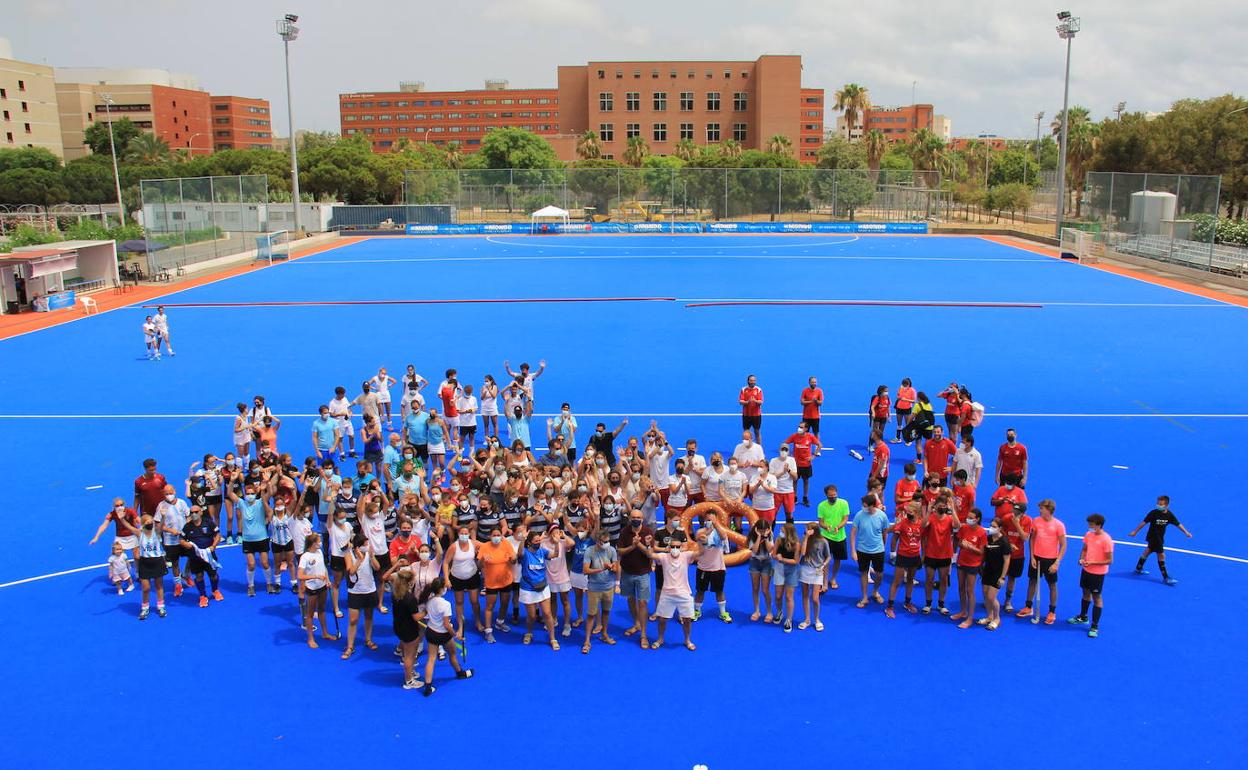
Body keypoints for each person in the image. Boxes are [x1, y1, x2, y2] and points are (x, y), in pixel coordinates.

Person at [413, 577, 473, 696]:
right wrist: (455, 635)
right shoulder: (446, 604)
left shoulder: (429, 600)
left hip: (431, 632)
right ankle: (460, 673)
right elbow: (446, 624)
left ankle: (428, 686)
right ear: (441, 589)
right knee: (452, 654)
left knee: (431, 659)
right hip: (443, 634)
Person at [645, 531, 702, 650]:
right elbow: (650, 555)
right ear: (669, 547)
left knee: (687, 620)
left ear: (681, 548)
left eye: (677, 547)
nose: (675, 549)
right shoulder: (663, 557)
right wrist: (648, 544)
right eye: (672, 546)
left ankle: (687, 640)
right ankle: (660, 639)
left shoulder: (686, 556)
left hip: (684, 593)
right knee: (662, 620)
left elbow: (701, 552)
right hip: (667, 594)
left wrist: (703, 542)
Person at [1017, 499, 1066, 624]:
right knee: (1032, 581)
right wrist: (1032, 557)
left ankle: (1052, 612)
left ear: (1049, 510)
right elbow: (1032, 539)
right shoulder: (1036, 521)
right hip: (1036, 558)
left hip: (1050, 560)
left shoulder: (1059, 525)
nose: (1040, 510)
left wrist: (1057, 562)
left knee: (1052, 585)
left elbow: (1063, 545)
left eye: (1042, 508)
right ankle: (1028, 607)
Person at [1127, 495, 1192, 586]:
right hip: (1154, 537)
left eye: (1161, 504)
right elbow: (1144, 522)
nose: (1158, 505)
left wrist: (1186, 532)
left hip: (1160, 537)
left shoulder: (1169, 515)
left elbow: (1178, 524)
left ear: (1166, 505)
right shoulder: (1153, 513)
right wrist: (1135, 531)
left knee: (1148, 551)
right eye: (1158, 504)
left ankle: (1138, 568)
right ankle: (1166, 577)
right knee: (1161, 555)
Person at [1068, 513, 1113, 638]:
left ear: (1099, 525)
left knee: (1096, 597)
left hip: (1098, 574)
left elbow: (1109, 560)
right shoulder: (1088, 535)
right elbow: (1085, 549)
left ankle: (1094, 625)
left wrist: (1092, 562)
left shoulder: (1106, 540)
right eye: (1089, 524)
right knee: (1085, 593)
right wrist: (1081, 558)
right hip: (1086, 570)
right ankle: (1083, 617)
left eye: (1092, 525)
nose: (1089, 527)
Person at [227, 480, 275, 596]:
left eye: (252, 493)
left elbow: (270, 493)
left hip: (262, 538)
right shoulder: (241, 503)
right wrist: (232, 480)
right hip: (248, 540)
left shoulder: (260, 502)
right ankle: (251, 586)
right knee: (251, 564)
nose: (250, 495)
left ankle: (269, 584)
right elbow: (229, 493)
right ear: (245, 494)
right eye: (247, 494)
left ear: (255, 493)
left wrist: (268, 484)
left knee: (265, 563)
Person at [516, 527, 560, 650]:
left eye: (539, 540)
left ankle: (552, 638)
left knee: (547, 613)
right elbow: (519, 553)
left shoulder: (542, 551)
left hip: (542, 586)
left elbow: (555, 554)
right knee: (532, 616)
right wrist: (523, 539)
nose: (538, 543)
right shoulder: (525, 552)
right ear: (529, 542)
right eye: (535, 541)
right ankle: (529, 632)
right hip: (528, 588)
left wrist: (557, 544)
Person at [616, 510, 654, 649]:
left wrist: (639, 545)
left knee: (642, 602)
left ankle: (643, 635)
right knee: (631, 600)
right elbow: (620, 551)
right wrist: (632, 546)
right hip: (627, 572)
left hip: (643, 573)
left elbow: (650, 554)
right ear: (629, 519)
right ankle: (636, 624)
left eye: (638, 517)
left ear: (642, 519)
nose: (636, 519)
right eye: (633, 517)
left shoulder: (648, 532)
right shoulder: (624, 532)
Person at [118, 514, 167, 619]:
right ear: (143, 524)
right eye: (147, 522)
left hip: (157, 561)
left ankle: (161, 606)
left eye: (151, 521)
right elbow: (128, 526)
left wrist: (163, 516)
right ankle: (145, 608)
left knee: (159, 586)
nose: (150, 523)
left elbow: (162, 524)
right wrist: (121, 519)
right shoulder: (139, 533)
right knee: (146, 588)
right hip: (144, 563)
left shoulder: (157, 532)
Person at [342, 533, 380, 659]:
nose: (367, 546)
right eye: (365, 544)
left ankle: (368, 640)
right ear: (358, 546)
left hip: (369, 590)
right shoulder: (348, 554)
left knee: (369, 616)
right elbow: (351, 571)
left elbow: (377, 567)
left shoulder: (369, 553)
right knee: (353, 620)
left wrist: (372, 556)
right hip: (355, 592)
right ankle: (350, 646)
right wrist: (359, 559)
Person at [581, 528, 619, 654]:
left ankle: (604, 634)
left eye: (608, 541)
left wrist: (612, 567)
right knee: (591, 615)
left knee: (606, 612)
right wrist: (602, 568)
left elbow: (616, 568)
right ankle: (587, 640)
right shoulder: (589, 551)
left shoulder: (612, 550)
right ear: (598, 541)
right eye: (604, 541)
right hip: (594, 588)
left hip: (609, 587)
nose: (607, 543)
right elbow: (585, 570)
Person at [387, 567, 425, 689]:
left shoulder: (395, 594)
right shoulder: (410, 598)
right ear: (409, 582)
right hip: (409, 630)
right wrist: (426, 612)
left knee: (406, 652)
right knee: (410, 655)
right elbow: (416, 617)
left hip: (399, 627)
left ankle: (411, 672)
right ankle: (409, 681)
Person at [477, 526, 516, 643]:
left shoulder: (506, 544)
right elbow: (479, 566)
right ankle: (488, 631)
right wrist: (483, 559)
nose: (496, 537)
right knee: (490, 606)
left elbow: (513, 561)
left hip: (506, 581)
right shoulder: (484, 547)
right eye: (494, 535)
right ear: (490, 536)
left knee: (505, 603)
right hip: (491, 583)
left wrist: (513, 558)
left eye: (498, 535)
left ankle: (500, 622)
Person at [298, 532, 337, 648]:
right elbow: (300, 575)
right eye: (319, 541)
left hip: (323, 586)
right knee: (310, 614)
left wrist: (328, 580)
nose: (320, 543)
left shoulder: (319, 552)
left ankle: (325, 633)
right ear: (313, 543)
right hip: (312, 588)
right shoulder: (305, 557)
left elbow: (323, 568)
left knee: (322, 610)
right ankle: (310, 638)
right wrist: (315, 576)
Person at [179, 505, 223, 608]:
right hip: (195, 557)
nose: (194, 514)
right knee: (199, 576)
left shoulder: (209, 523)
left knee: (213, 575)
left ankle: (215, 590)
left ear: (201, 512)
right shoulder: (187, 527)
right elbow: (181, 539)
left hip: (209, 556)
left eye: (196, 512)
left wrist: (213, 546)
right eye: (192, 512)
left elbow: (218, 535)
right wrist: (185, 544)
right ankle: (202, 595)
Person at [885, 502, 923, 618]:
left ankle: (907, 603)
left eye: (910, 512)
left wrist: (923, 556)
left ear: (916, 513)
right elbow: (889, 530)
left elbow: (925, 540)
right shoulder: (902, 523)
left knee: (910, 580)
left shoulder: (921, 524)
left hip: (915, 555)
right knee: (897, 581)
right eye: (907, 512)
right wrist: (895, 524)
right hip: (902, 555)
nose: (908, 514)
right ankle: (889, 607)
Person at [850, 495, 888, 609]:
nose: (864, 508)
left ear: (872, 505)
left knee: (879, 574)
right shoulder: (859, 515)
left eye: (865, 506)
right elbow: (853, 533)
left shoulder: (882, 516)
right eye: (863, 506)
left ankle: (875, 591)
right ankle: (865, 597)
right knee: (864, 573)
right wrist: (853, 551)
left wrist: (883, 546)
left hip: (878, 550)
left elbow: (885, 532)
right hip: (862, 550)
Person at [950, 507, 986, 629]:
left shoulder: (982, 532)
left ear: (977, 519)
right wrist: (963, 545)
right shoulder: (964, 528)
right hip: (962, 561)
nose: (968, 519)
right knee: (961, 587)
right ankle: (963, 611)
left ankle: (970, 618)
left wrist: (970, 547)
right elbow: (959, 542)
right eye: (968, 517)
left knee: (969, 591)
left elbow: (981, 552)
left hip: (973, 564)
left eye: (971, 518)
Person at [692, 515, 732, 623]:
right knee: (700, 591)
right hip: (703, 568)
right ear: (704, 520)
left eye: (712, 519)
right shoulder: (700, 531)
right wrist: (709, 531)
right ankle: (697, 611)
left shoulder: (720, 531)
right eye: (708, 519)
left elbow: (723, 537)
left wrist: (716, 525)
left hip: (718, 568)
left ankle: (723, 612)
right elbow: (701, 539)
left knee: (719, 591)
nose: (710, 521)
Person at [921, 499, 955, 615]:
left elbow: (957, 526)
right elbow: (923, 525)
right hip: (931, 554)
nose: (942, 507)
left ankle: (941, 604)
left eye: (944, 505)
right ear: (935, 507)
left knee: (943, 580)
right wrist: (928, 511)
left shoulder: (950, 519)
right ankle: (928, 604)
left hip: (945, 554)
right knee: (929, 579)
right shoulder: (931, 518)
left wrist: (953, 509)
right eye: (939, 505)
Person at [979, 517, 1011, 631]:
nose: (991, 528)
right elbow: (984, 554)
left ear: (1000, 528)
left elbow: (1007, 560)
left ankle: (997, 619)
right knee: (985, 595)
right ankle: (989, 616)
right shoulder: (988, 538)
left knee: (991, 597)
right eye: (991, 526)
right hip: (987, 570)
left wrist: (1002, 577)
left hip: (998, 573)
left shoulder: (1004, 542)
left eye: (994, 527)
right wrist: (980, 566)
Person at [816, 484, 850, 591]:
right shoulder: (821, 506)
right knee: (825, 560)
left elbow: (845, 519)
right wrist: (826, 527)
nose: (833, 497)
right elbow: (820, 522)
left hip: (840, 537)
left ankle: (833, 579)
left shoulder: (844, 503)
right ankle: (824, 582)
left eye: (835, 495)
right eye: (830, 496)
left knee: (837, 559)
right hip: (826, 537)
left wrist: (838, 527)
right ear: (826, 495)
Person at [798, 523, 829, 631]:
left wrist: (823, 566)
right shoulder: (804, 539)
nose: (805, 531)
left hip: (817, 571)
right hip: (805, 569)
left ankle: (817, 619)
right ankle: (807, 619)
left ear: (813, 530)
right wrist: (806, 537)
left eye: (808, 529)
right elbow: (802, 553)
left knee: (815, 598)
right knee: (805, 595)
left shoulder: (823, 541)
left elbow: (828, 557)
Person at [784, 423, 822, 507]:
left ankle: (805, 497)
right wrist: (788, 454)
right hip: (796, 464)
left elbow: (820, 445)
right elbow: (785, 444)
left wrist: (813, 456)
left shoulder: (810, 436)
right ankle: (794, 497)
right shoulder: (794, 436)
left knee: (806, 481)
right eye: (799, 427)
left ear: (806, 429)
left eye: (801, 427)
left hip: (806, 464)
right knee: (795, 481)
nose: (799, 428)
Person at [771, 523, 800, 630]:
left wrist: (782, 559)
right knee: (778, 596)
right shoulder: (778, 540)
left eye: (782, 531)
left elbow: (796, 561)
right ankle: (779, 612)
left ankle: (789, 619)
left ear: (788, 533)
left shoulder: (796, 544)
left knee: (788, 597)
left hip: (791, 571)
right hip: (779, 569)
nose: (780, 533)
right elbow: (773, 554)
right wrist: (776, 556)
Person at [746, 519, 774, 622]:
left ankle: (769, 612)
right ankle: (756, 611)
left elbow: (770, 549)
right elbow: (754, 550)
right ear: (756, 529)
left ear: (767, 529)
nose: (762, 532)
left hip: (767, 563)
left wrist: (765, 537)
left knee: (765, 590)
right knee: (755, 588)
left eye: (764, 530)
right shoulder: (752, 535)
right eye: (760, 531)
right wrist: (758, 536)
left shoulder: (770, 535)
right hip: (755, 562)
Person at [329, 387, 358, 459]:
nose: (343, 395)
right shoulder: (332, 403)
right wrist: (339, 414)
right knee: (340, 438)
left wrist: (350, 413)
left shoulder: (345, 399)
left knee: (352, 436)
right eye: (342, 394)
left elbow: (348, 408)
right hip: (339, 423)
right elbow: (331, 414)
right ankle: (342, 453)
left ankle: (352, 451)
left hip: (347, 420)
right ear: (338, 394)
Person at [739, 374, 764, 443]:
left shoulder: (758, 390)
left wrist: (755, 401)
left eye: (754, 380)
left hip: (756, 415)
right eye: (751, 380)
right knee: (746, 433)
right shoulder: (743, 389)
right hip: (746, 415)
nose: (753, 382)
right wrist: (748, 402)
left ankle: (759, 447)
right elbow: (741, 401)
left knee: (757, 431)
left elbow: (761, 402)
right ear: (748, 381)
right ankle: (746, 446)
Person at [893, 378, 916, 443]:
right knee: (899, 424)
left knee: (907, 424)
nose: (903, 386)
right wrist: (898, 397)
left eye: (905, 385)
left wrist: (906, 400)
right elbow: (898, 396)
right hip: (899, 408)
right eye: (903, 384)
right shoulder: (900, 388)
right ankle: (898, 438)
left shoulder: (912, 390)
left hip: (907, 409)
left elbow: (914, 401)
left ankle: (908, 439)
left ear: (908, 384)